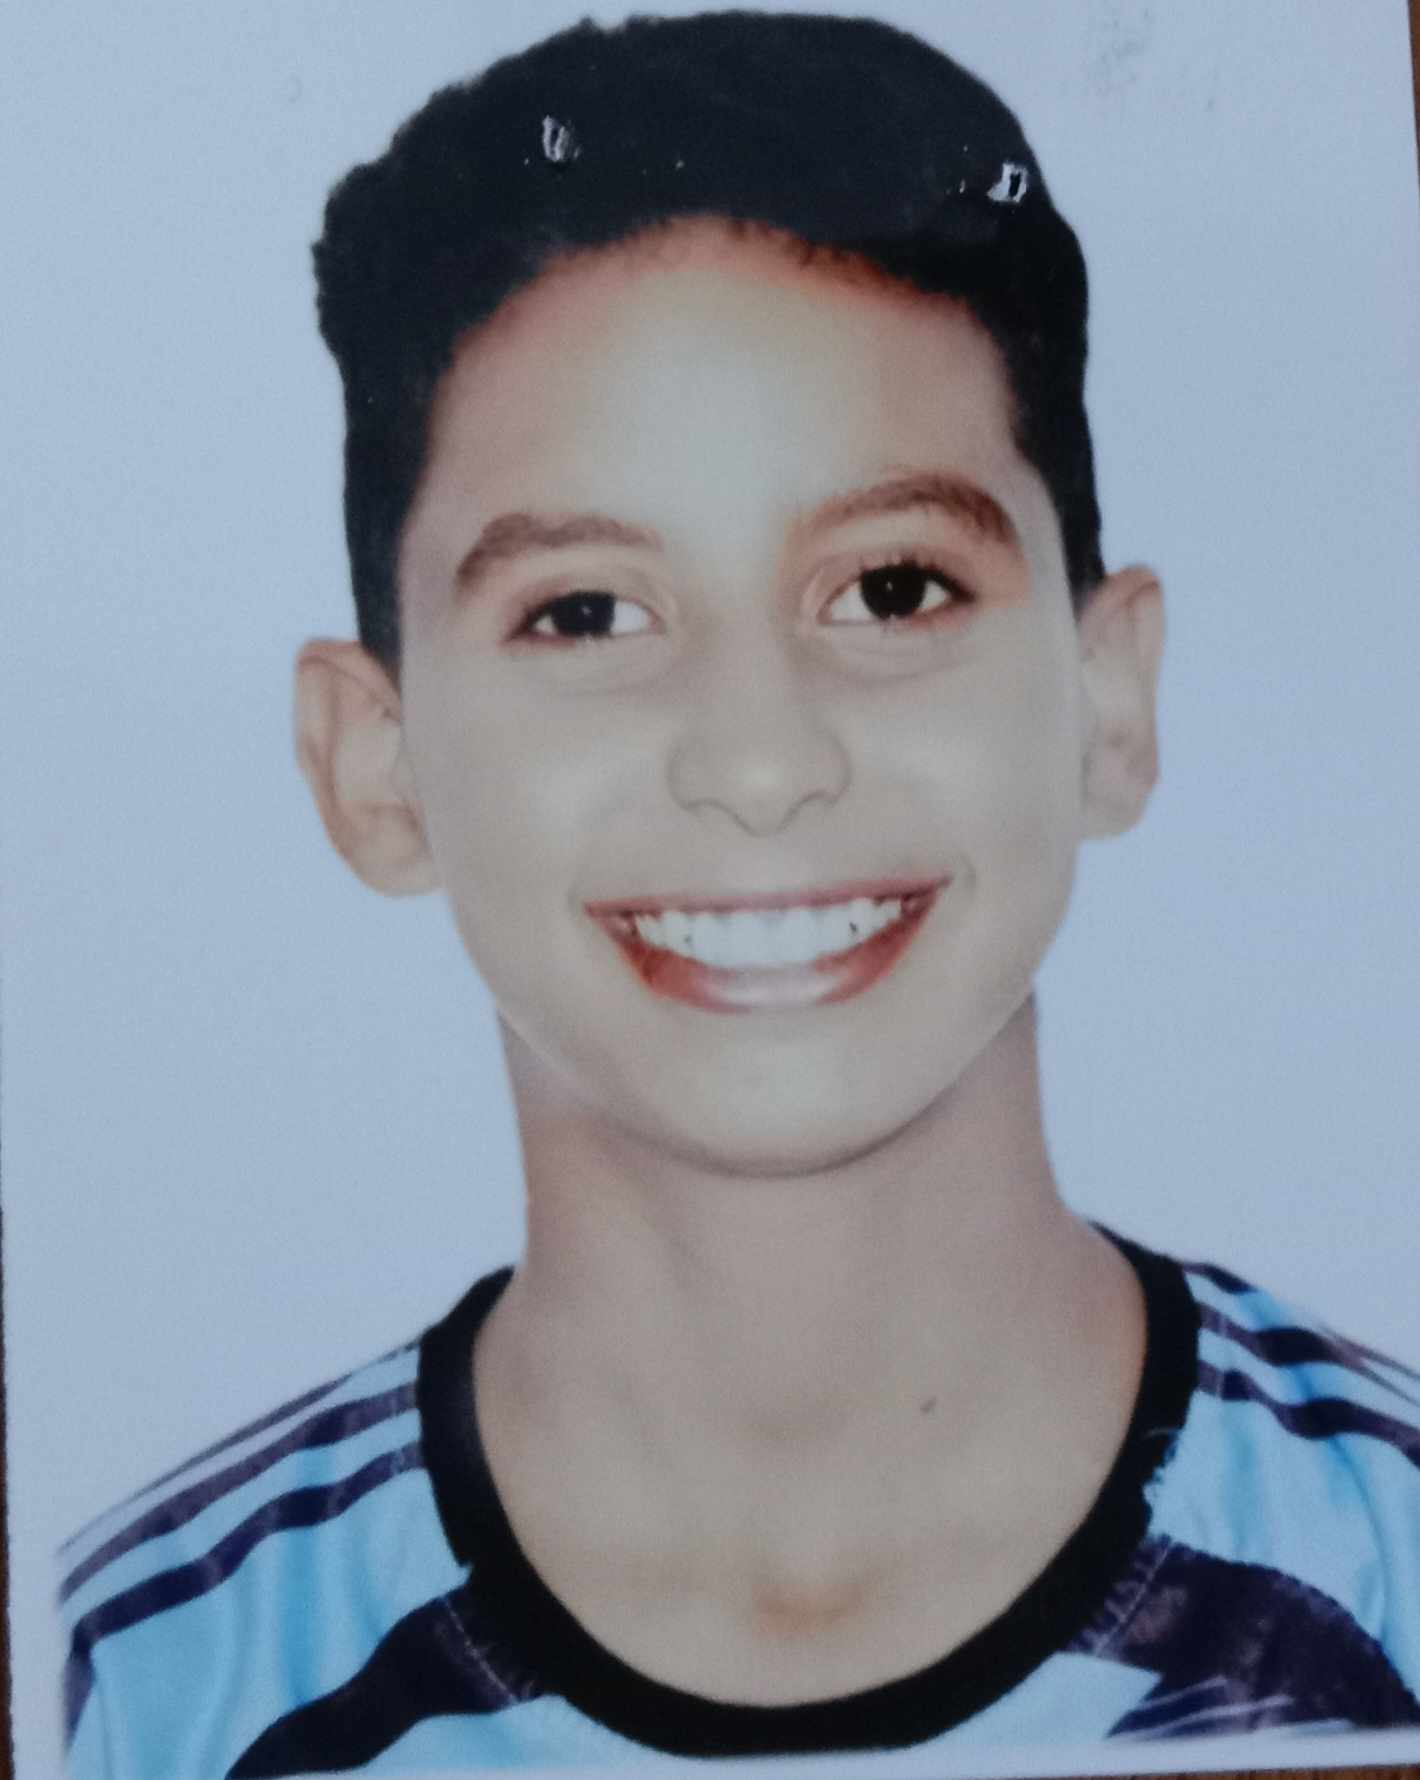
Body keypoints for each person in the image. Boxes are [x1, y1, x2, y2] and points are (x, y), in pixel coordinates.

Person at [56, 12, 1420, 1774]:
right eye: (587, 614)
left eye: (893, 589)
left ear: (1110, 698)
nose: (761, 762)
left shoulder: (1390, 1571)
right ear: (374, 764)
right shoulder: (154, 1683)